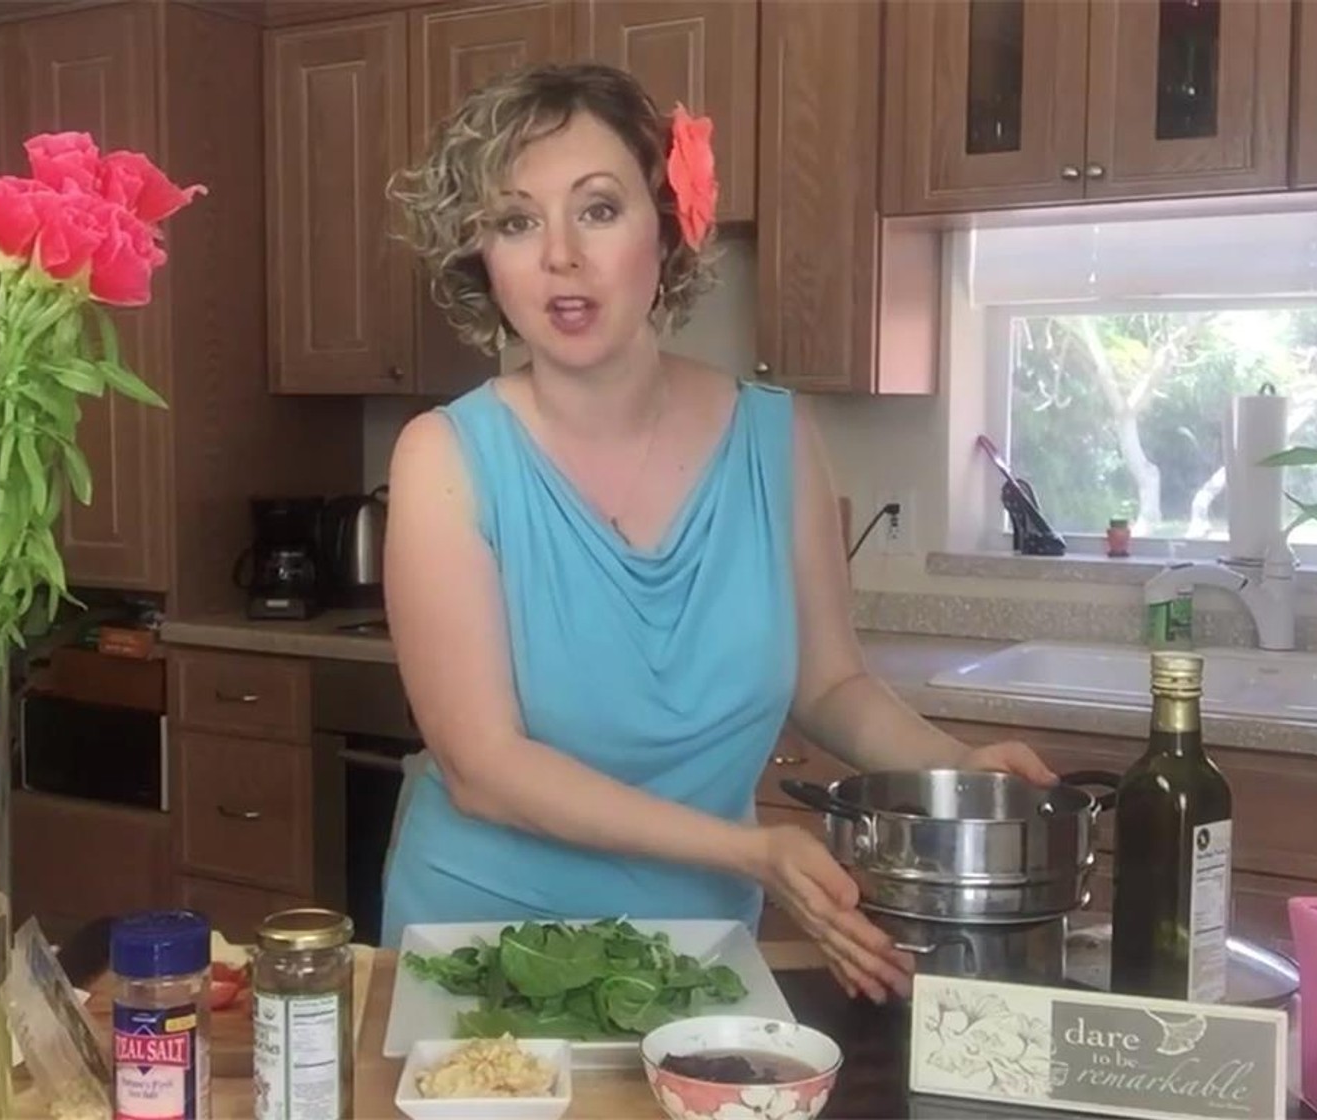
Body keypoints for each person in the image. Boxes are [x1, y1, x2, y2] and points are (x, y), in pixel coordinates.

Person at [379, 62, 1055, 1002]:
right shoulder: (441, 459)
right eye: (516, 221)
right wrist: (748, 850)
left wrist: (955, 766)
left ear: (668, 229)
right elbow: (484, 768)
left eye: (599, 210)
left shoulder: (775, 438)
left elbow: (831, 684)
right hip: (484, 954)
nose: (560, 257)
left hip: (694, 958)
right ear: (483, 260)